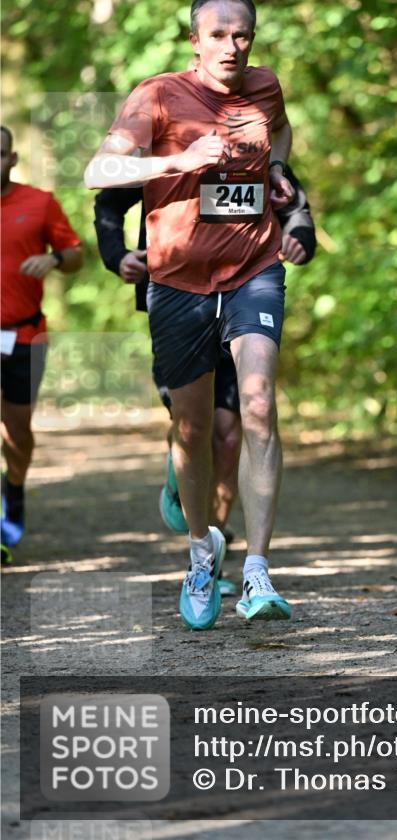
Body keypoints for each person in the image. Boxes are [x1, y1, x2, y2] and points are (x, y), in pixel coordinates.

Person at [84, 0, 299, 630]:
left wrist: (276, 178)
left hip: (253, 267)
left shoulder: (264, 89)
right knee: (192, 429)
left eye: (242, 36)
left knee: (257, 406)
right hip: (176, 278)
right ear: (193, 40)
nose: (231, 47)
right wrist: (179, 159)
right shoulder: (156, 95)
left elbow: (280, 134)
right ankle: (200, 552)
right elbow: (98, 173)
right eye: (217, 35)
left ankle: (257, 569)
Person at [93, 163, 317, 591]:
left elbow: (294, 203)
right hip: (176, 297)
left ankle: (216, 552)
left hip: (243, 294)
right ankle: (179, 464)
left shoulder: (248, 142)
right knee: (195, 425)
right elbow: (108, 201)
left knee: (232, 432)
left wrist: (300, 237)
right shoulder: (169, 144)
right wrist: (117, 255)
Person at [1, 124, 83, 561]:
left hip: (25, 335)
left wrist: (52, 258)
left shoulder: (39, 203)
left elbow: (75, 254)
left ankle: (12, 493)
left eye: (0, 154)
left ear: (12, 159)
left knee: (17, 432)